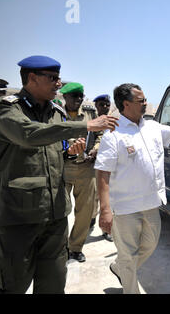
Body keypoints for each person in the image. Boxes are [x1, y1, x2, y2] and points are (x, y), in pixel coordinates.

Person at [0, 55, 119, 294]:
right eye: (53, 78)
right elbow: (29, 135)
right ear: (32, 78)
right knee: (13, 285)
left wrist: (71, 154)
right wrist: (86, 125)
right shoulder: (7, 109)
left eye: (59, 78)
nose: (58, 84)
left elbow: (55, 154)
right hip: (19, 217)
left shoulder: (56, 112)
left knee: (54, 284)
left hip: (55, 215)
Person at [95, 83, 170, 294]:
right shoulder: (113, 134)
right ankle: (129, 286)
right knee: (129, 255)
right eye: (141, 100)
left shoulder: (152, 127)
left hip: (151, 203)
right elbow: (102, 173)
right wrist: (105, 209)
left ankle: (120, 268)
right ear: (126, 104)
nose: (145, 103)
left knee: (149, 245)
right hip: (125, 208)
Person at [61, 82, 103, 262]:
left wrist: (96, 148)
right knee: (61, 211)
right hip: (63, 168)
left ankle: (75, 247)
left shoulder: (90, 113)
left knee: (85, 211)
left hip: (86, 168)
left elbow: (100, 133)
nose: (78, 99)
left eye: (81, 96)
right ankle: (59, 248)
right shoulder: (56, 114)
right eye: (74, 96)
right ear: (65, 97)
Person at [89, 94, 113, 242]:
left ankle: (106, 230)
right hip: (92, 164)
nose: (105, 107)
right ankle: (91, 218)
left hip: (109, 166)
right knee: (93, 197)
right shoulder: (90, 121)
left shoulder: (114, 121)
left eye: (107, 104)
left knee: (107, 197)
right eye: (102, 104)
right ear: (96, 106)